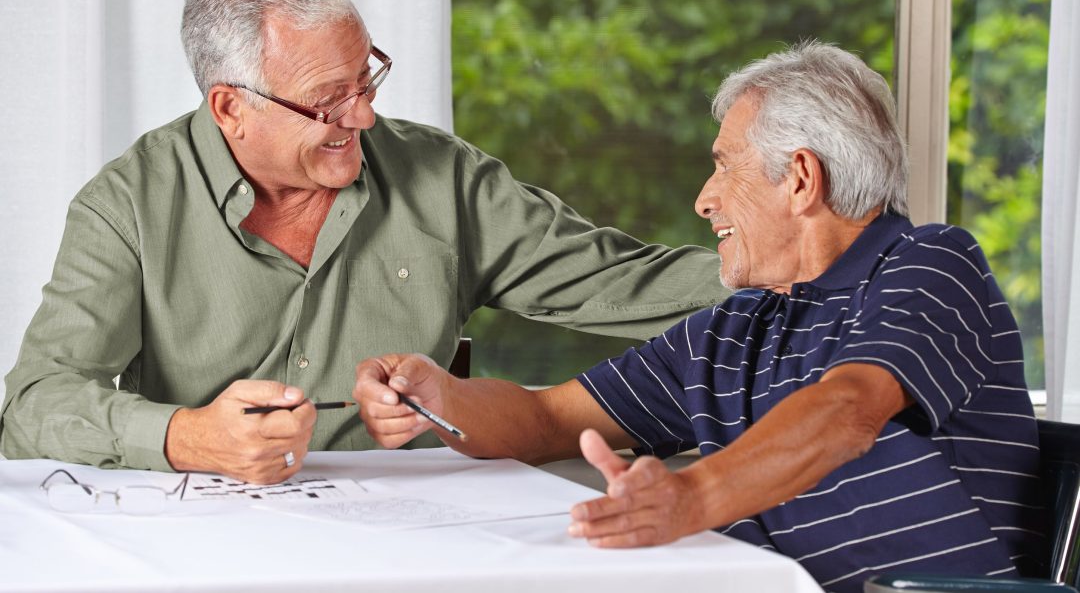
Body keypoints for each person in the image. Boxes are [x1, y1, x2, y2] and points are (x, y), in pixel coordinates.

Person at [0, 0, 727, 484]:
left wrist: (804, 269)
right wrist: (186, 435)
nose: (365, 114)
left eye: (366, 77)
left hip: (423, 542)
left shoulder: (441, 178)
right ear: (231, 108)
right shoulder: (127, 203)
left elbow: (622, 282)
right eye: (327, 100)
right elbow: (34, 405)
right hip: (200, 549)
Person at [353, 41, 1045, 592]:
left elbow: (847, 410)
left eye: (724, 166)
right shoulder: (735, 328)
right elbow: (550, 420)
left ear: (800, 177)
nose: (704, 199)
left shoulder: (930, 264)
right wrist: (444, 398)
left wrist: (688, 496)